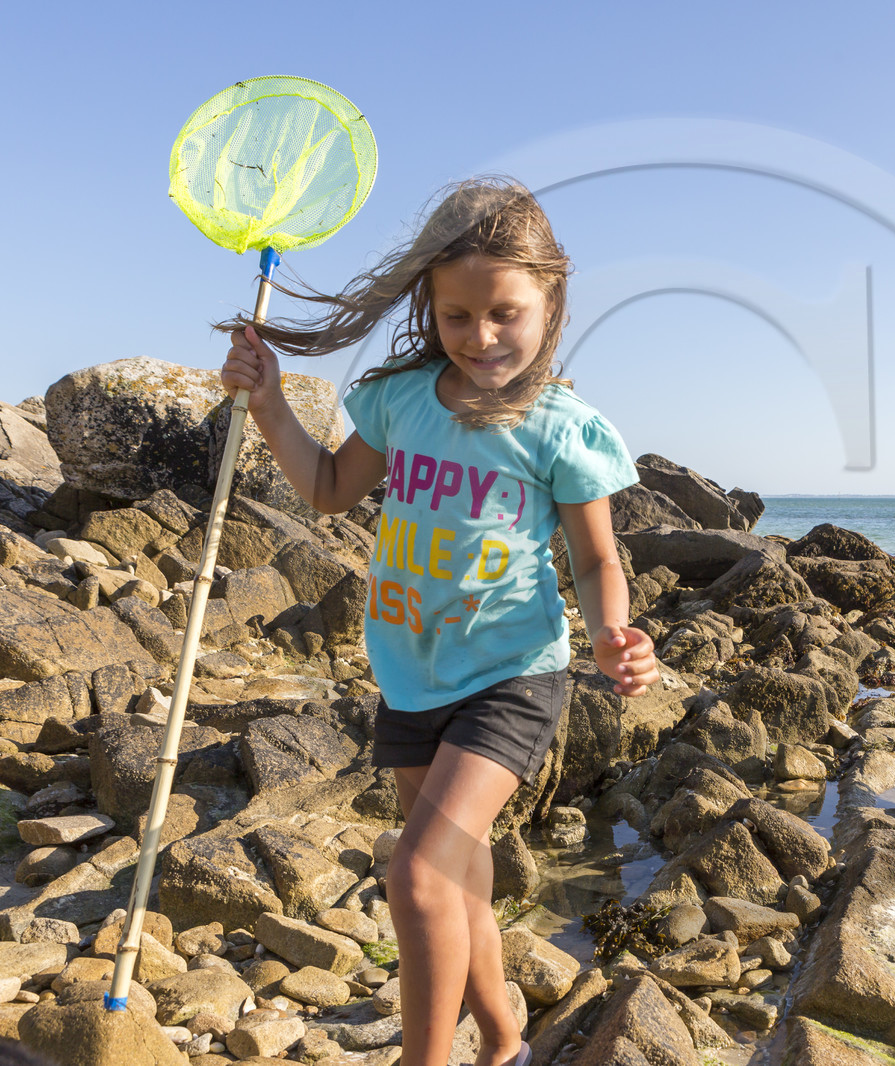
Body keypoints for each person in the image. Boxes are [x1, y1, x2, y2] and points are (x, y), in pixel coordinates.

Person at [220, 177, 660, 1066]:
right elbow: (330, 490)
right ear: (430, 304)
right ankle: (502, 1033)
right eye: (458, 316)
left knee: (416, 874)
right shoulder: (401, 397)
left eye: (505, 313)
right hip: (411, 674)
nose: (482, 336)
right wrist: (268, 403)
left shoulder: (559, 428)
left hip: (512, 676)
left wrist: (614, 630)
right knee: (454, 877)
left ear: (551, 303)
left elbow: (596, 559)